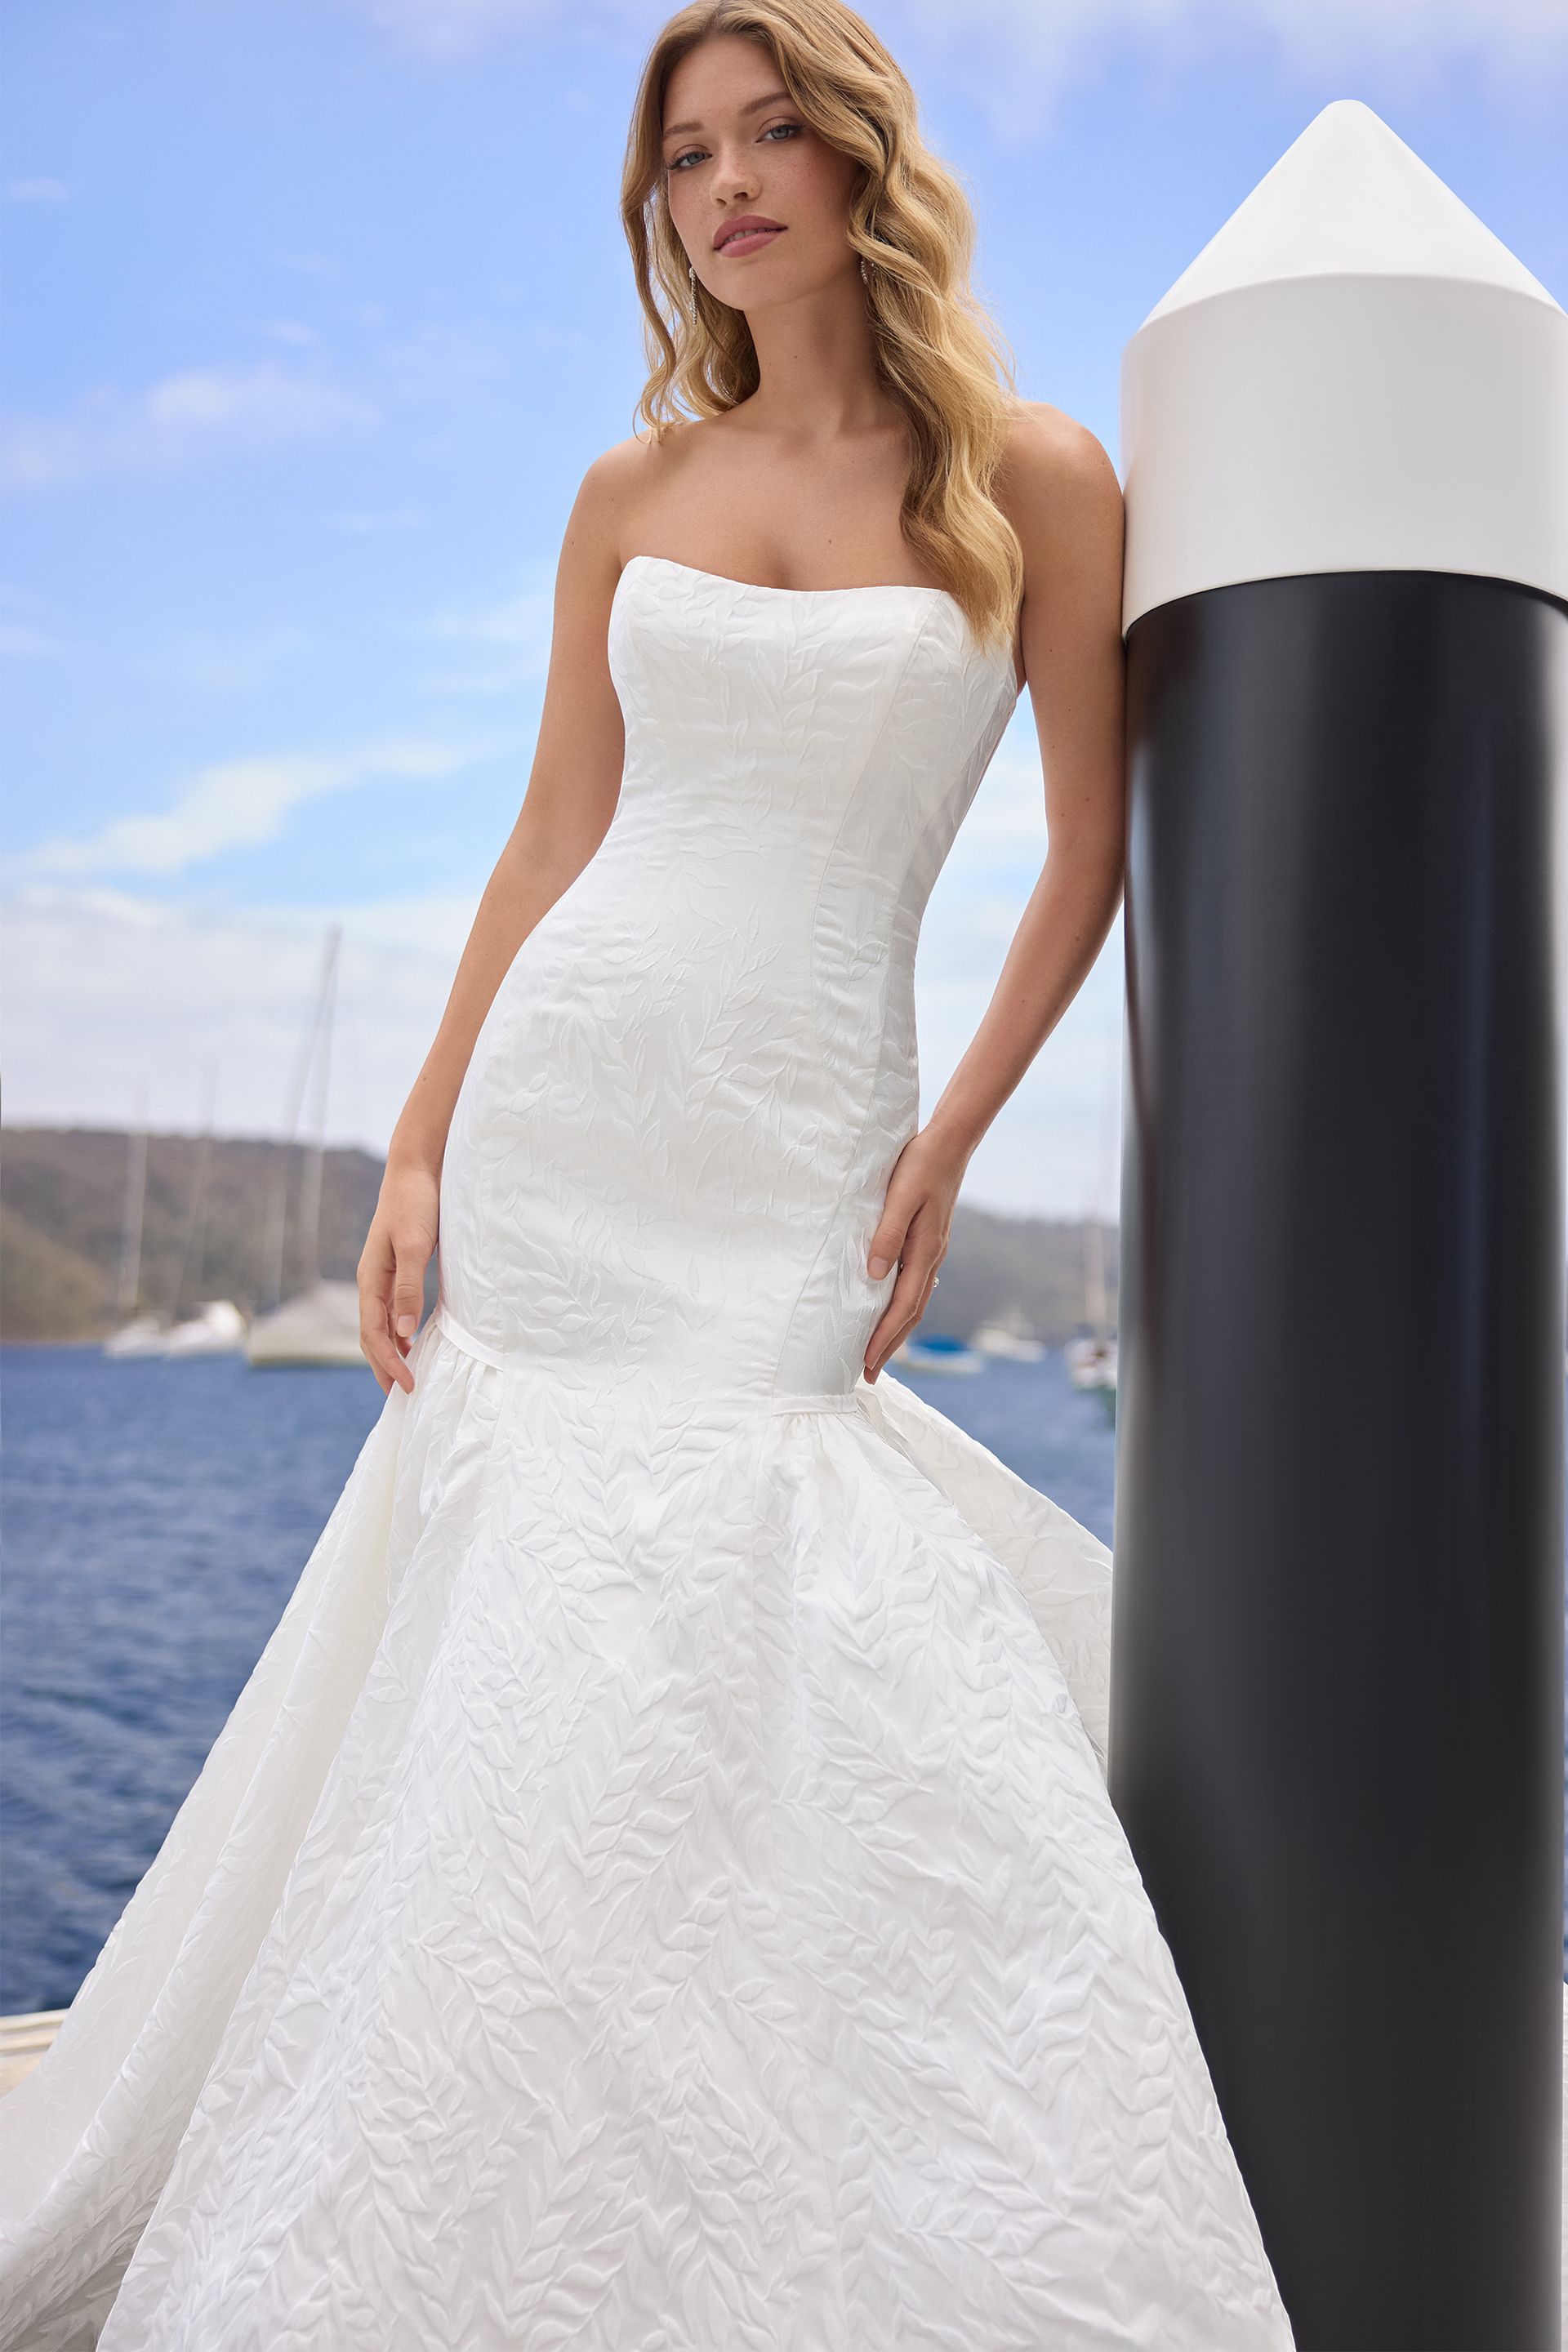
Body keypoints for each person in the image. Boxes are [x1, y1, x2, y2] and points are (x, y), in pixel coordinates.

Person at [0, 3, 1298, 2344]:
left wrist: (952, 1134)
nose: (729, 186)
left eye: (773, 131)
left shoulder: (1034, 477)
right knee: (534, 1627)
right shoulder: (630, 491)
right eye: (687, 155)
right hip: (568, 1119)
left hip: (803, 1128)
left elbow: (1088, 853)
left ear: (864, 157)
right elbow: (546, 844)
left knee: (770, 1573)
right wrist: (415, 1142)